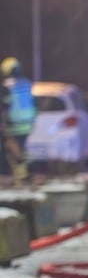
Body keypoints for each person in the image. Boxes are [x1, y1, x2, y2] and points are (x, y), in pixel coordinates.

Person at [0, 57, 36, 186]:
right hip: (27, 122)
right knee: (21, 148)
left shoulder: (7, 86)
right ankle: (25, 174)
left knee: (13, 150)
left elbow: (5, 104)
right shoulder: (26, 83)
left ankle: (21, 177)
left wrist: (3, 122)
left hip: (14, 123)